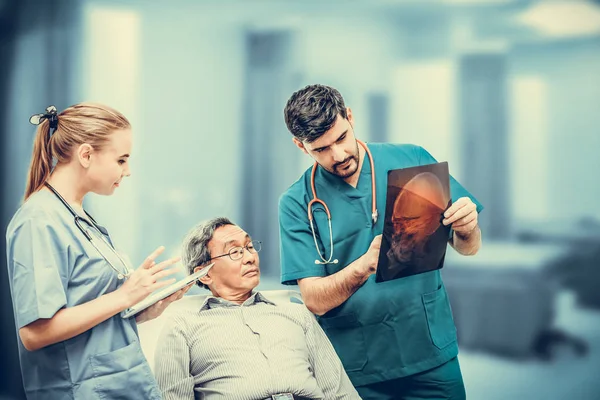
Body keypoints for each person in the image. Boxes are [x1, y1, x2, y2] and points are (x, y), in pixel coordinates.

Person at [278, 84, 484, 399]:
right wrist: (362, 267)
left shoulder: (411, 160)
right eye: (320, 149)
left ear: (350, 117)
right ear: (299, 145)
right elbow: (314, 300)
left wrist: (468, 228)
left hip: (429, 349)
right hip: (358, 366)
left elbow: (468, 248)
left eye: (341, 138)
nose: (338, 155)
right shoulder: (296, 202)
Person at [5, 103, 188, 399]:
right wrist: (124, 295)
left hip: (118, 383)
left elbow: (91, 311)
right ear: (86, 155)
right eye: (121, 160)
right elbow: (35, 333)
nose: (127, 171)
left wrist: (140, 307)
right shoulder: (38, 220)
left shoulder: (77, 215)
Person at [154, 217, 360, 400]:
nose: (250, 257)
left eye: (250, 247)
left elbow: (339, 391)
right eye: (234, 252)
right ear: (204, 274)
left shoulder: (296, 314)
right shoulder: (182, 326)